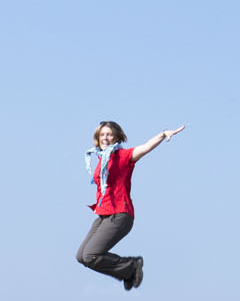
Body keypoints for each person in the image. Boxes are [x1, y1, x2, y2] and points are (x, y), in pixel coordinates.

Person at [76, 121, 184, 290]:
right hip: (103, 215)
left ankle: (132, 265)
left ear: (116, 137)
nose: (105, 137)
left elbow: (145, 147)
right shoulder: (101, 158)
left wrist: (163, 134)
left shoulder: (123, 156)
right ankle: (128, 272)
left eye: (109, 134)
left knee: (90, 255)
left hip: (120, 214)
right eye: (102, 134)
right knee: (81, 256)